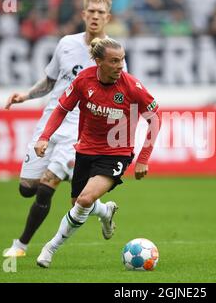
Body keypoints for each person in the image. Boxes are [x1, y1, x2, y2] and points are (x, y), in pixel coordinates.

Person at [3, 0, 120, 258]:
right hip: (50, 120)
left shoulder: (113, 53)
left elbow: (120, 93)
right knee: (27, 188)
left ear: (108, 18)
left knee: (48, 184)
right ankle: (104, 210)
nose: (94, 16)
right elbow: (50, 79)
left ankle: (20, 246)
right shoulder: (66, 44)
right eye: (90, 11)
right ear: (82, 14)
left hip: (80, 128)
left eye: (100, 13)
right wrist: (25, 96)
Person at [35, 37, 162, 268]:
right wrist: (45, 137)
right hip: (85, 149)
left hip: (117, 153)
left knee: (84, 199)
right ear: (98, 61)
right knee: (78, 202)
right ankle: (105, 211)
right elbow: (61, 109)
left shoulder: (132, 86)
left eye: (122, 59)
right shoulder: (84, 80)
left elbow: (155, 118)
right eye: (114, 61)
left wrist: (143, 158)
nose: (120, 66)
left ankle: (50, 247)